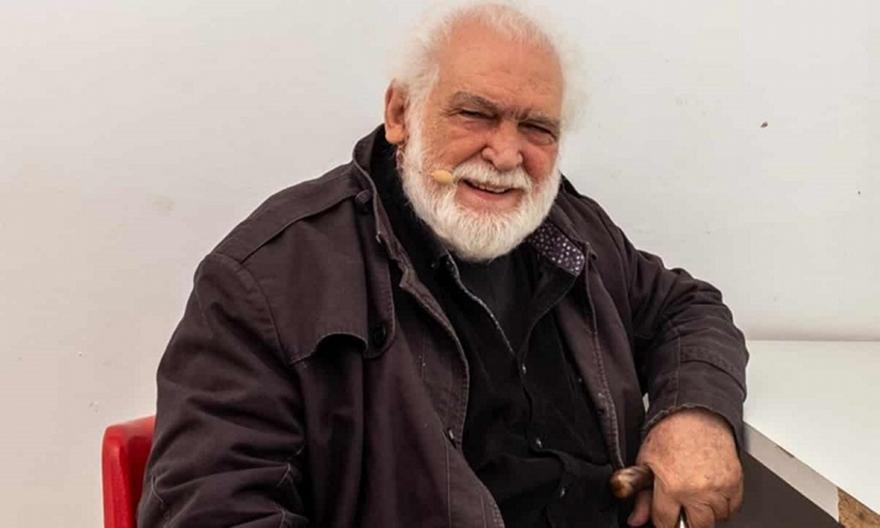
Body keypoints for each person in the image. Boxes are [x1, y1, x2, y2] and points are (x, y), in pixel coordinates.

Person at [138, 3, 747, 527]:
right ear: (400, 114)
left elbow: (685, 308)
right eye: (475, 114)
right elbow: (211, 508)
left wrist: (691, 414)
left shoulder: (569, 229)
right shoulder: (269, 280)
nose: (505, 154)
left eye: (536, 127)